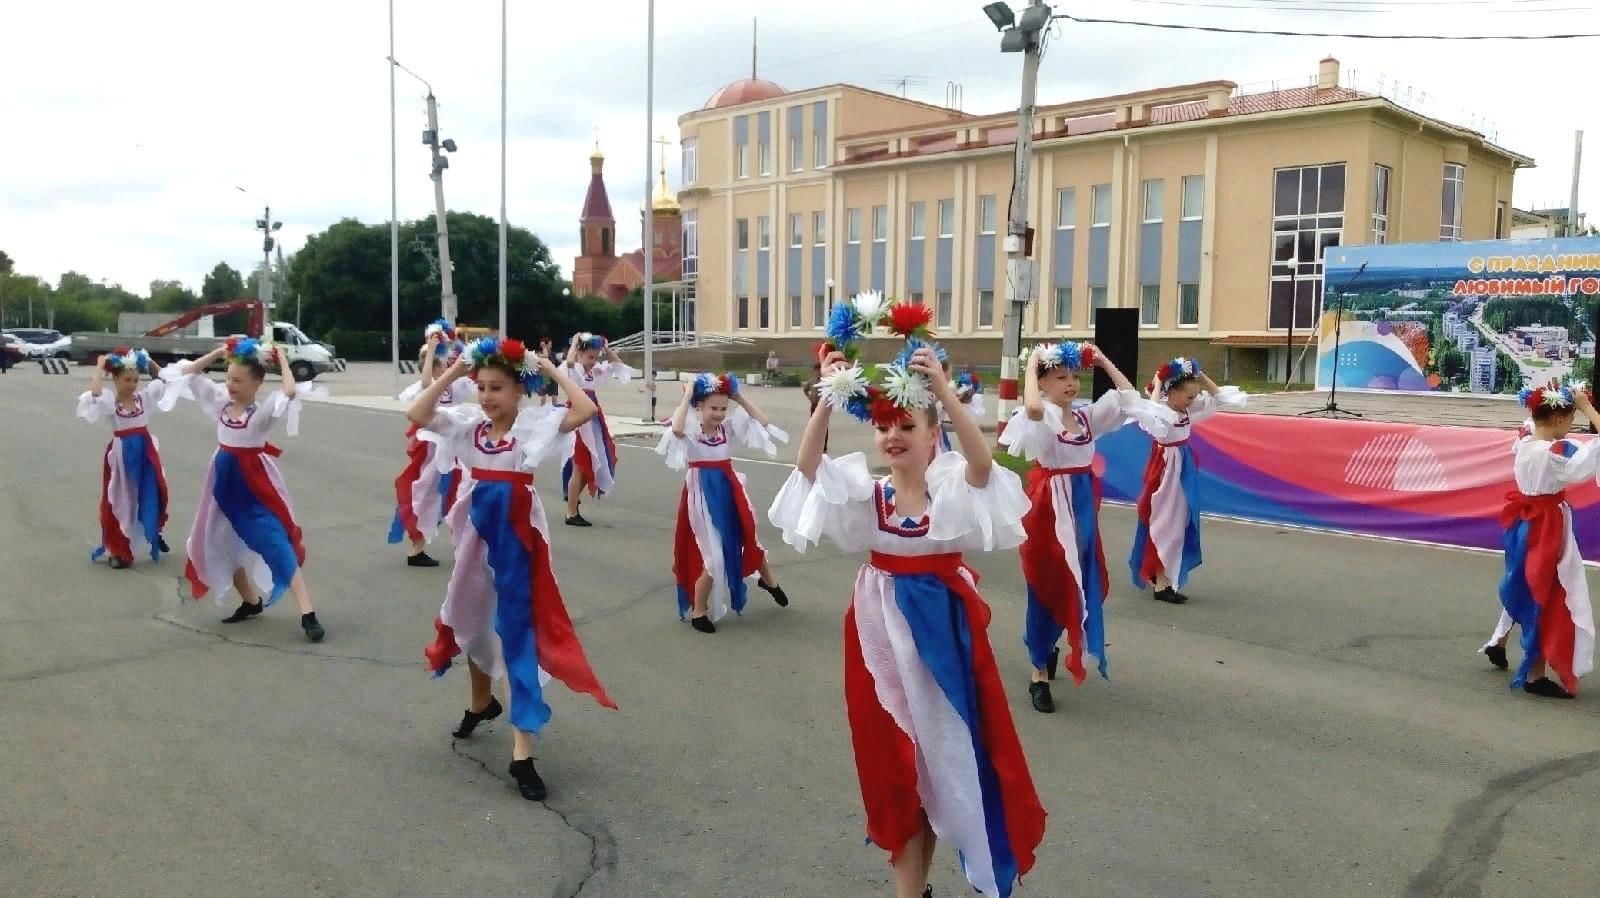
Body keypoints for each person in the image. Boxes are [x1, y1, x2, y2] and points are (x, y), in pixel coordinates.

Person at [768, 293, 1044, 898]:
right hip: (878, 637)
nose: (892, 436)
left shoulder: (949, 488)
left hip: (943, 634)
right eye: (884, 427)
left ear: (930, 433)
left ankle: (959, 864)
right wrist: (829, 397)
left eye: (906, 426)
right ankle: (909, 890)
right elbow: (809, 468)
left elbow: (980, 464)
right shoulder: (868, 494)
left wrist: (943, 392)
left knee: (947, 762)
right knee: (895, 765)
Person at [412, 336, 617, 801]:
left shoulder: (532, 428)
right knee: (469, 624)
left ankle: (522, 752)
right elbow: (418, 415)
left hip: (519, 544)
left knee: (517, 635)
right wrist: (452, 371)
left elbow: (584, 410)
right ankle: (480, 703)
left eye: (497, 388)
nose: (486, 397)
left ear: (518, 391)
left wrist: (549, 367)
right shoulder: (468, 427)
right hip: (473, 542)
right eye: (481, 387)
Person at [999, 342, 1138, 714]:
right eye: (1061, 377)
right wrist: (1030, 365)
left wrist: (1103, 359)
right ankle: (1038, 671)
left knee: (1076, 583)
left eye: (1075, 376)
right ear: (1043, 383)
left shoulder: (1088, 417)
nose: (1071, 383)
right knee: (1044, 583)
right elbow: (1030, 407)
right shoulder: (1039, 414)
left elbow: (1129, 396)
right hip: (1046, 509)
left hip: (1081, 509)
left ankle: (1049, 645)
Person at [159, 338, 328, 641]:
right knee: (218, 543)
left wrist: (282, 361)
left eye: (238, 380)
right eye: (228, 378)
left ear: (257, 383)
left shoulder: (260, 415)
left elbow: (289, 392)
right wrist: (219, 352)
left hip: (254, 484)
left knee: (276, 541)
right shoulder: (220, 404)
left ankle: (308, 613)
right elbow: (188, 372)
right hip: (223, 484)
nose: (231, 385)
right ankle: (251, 601)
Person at [1480, 382, 1600, 699]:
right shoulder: (1557, 452)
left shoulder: (1525, 439)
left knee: (1524, 581)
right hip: (1546, 525)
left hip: (1522, 521)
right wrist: (1587, 407)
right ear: (1560, 419)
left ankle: (1499, 641)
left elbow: (1535, 421)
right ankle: (1535, 673)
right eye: (1571, 418)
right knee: (1547, 592)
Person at [657, 372, 790, 633]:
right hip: (703, 495)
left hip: (729, 488)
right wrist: (687, 394)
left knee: (747, 537)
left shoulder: (727, 429)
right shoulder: (692, 430)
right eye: (712, 408)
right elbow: (676, 429)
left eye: (723, 407)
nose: (719, 413)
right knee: (714, 557)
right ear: (699, 406)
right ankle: (699, 610)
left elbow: (762, 421)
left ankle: (769, 581)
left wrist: (737, 394)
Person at [1126, 357, 1246, 604]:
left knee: (1179, 522)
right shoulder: (1162, 413)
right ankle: (1161, 581)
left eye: (1194, 397)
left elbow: (1219, 397)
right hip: (1165, 470)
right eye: (1189, 396)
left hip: (1183, 465)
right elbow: (1151, 412)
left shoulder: (1185, 411)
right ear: (1172, 392)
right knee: (1162, 522)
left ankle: (1165, 578)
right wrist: (1160, 380)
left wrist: (1198, 375)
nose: (1193, 401)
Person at [77, 348, 174, 569]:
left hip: (146, 451)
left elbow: (166, 380)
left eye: (135, 380)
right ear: (116, 379)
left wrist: (148, 360)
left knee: (155, 493)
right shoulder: (111, 403)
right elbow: (94, 394)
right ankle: (119, 549)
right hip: (122, 456)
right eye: (127, 380)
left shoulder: (143, 399)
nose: (131, 384)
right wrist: (100, 366)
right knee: (120, 500)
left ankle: (154, 531)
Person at [389, 321, 470, 567]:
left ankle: (464, 546)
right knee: (425, 493)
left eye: (441, 361)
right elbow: (426, 384)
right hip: (431, 447)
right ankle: (417, 547)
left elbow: (468, 369)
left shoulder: (454, 384)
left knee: (458, 493)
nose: (440, 365)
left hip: (453, 446)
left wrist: (454, 342)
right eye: (435, 362)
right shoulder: (429, 387)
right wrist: (432, 350)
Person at [560, 332, 632, 527]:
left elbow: (618, 367)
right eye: (590, 357)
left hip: (593, 419)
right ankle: (571, 511)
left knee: (588, 465)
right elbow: (567, 364)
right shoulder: (574, 370)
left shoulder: (594, 372)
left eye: (595, 357)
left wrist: (606, 349)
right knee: (580, 465)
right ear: (580, 355)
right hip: (578, 417)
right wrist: (575, 344)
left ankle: (572, 502)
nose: (593, 361)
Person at [801, 362, 828, 453]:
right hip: (814, 405)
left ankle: (823, 446)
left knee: (823, 426)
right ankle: (814, 444)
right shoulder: (812, 381)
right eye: (816, 371)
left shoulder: (826, 381)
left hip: (822, 406)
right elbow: (805, 389)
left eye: (819, 370)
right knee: (813, 425)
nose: (817, 372)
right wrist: (809, 397)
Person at [535, 337, 560, 407]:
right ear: (545, 345)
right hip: (545, 376)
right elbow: (545, 357)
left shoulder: (553, 354)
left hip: (553, 376)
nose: (551, 346)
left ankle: (554, 411)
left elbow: (556, 364)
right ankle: (541, 410)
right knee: (543, 396)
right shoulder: (539, 353)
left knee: (554, 395)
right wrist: (544, 347)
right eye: (549, 344)